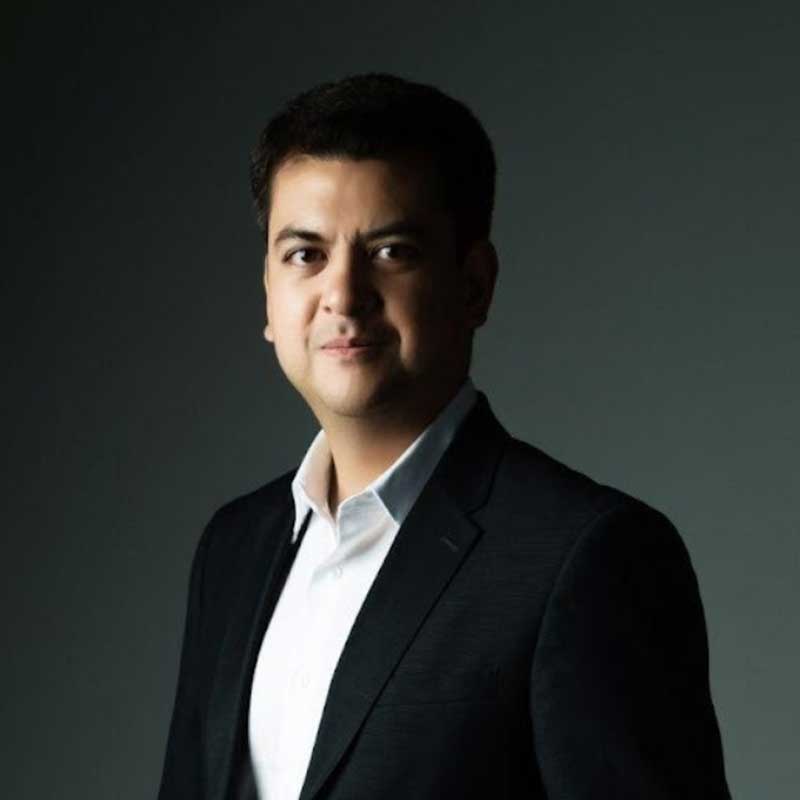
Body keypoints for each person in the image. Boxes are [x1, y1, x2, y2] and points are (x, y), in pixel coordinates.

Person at [157, 73, 731, 800]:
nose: (343, 295)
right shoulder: (234, 548)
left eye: (391, 251)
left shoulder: (587, 557)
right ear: (269, 293)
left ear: (474, 284)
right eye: (305, 254)